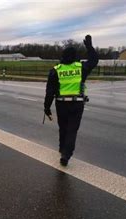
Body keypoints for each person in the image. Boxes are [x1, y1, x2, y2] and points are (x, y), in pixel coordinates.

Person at [44, 35, 99, 166]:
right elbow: (94, 60)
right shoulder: (81, 68)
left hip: (61, 104)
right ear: (75, 56)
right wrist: (89, 47)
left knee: (63, 128)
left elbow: (49, 92)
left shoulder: (56, 70)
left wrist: (47, 108)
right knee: (72, 130)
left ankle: (62, 148)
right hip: (77, 104)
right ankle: (66, 154)